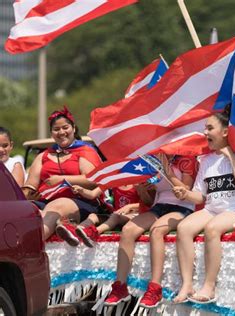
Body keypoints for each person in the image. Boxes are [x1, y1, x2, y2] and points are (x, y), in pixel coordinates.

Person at [171, 109, 235, 304]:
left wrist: (230, 155)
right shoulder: (206, 160)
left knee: (212, 228)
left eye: (210, 128)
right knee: (183, 228)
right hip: (211, 208)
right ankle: (187, 285)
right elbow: (200, 196)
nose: (205, 133)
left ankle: (209, 287)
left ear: (225, 132)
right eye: (204, 129)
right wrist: (185, 193)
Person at [104, 154, 196, 308]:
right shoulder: (152, 161)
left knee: (156, 230)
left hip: (182, 207)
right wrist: (143, 190)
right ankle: (120, 287)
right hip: (159, 206)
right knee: (128, 229)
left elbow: (185, 191)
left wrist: (167, 170)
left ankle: (155, 287)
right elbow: (148, 200)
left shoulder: (187, 159)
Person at [22, 107, 102, 240]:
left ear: (74, 128)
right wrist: (25, 194)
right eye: (56, 129)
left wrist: (63, 179)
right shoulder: (43, 156)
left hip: (81, 200)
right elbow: (31, 185)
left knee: (56, 206)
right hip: (45, 201)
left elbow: (94, 180)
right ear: (51, 133)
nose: (61, 132)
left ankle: (30, 246)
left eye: (65, 127)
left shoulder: (85, 151)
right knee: (24, 209)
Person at [54, 184, 144, 247]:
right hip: (115, 214)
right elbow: (92, 194)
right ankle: (77, 232)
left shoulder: (138, 183)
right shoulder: (113, 180)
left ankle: (94, 232)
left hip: (134, 216)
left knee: (115, 217)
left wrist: (131, 206)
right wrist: (81, 190)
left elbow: (149, 203)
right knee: (93, 216)